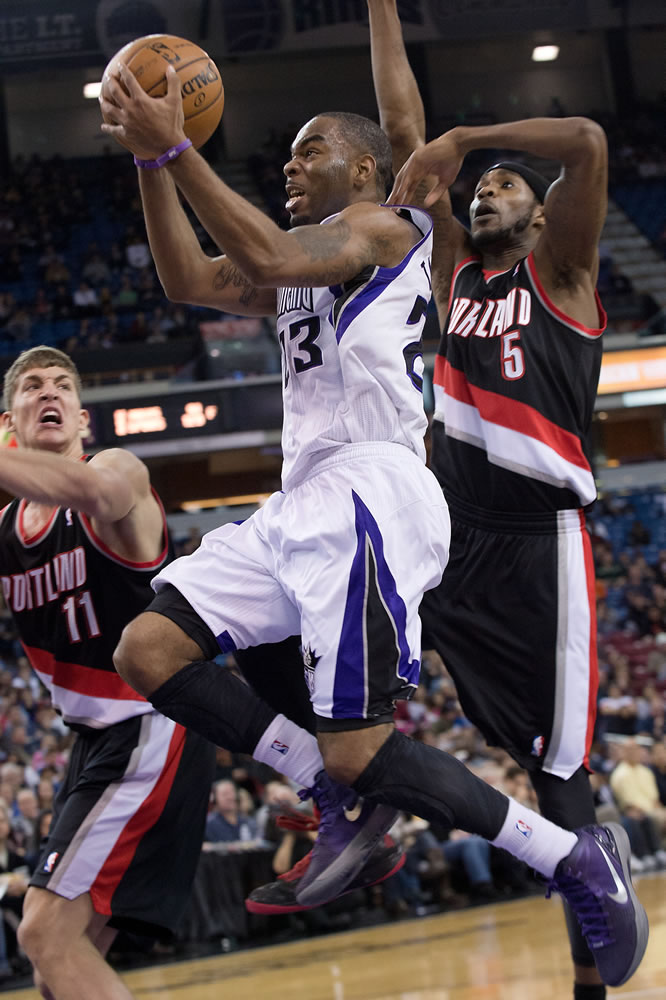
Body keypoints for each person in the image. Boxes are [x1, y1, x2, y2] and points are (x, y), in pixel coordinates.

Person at [101, 61, 646, 989]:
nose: (289, 165)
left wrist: (179, 146)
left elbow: (272, 254)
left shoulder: (384, 229)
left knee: (365, 742)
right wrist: (153, 168)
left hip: (372, 490)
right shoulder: (308, 256)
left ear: (362, 170)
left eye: (310, 149)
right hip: (301, 498)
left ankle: (568, 857)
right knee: (148, 651)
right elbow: (190, 277)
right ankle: (328, 786)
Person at [366, 2, 626, 998]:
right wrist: (383, 10)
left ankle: (589, 982)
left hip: (539, 548)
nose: (482, 194)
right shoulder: (452, 272)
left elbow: (591, 140)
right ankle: (362, 812)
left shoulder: (564, 269)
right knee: (335, 650)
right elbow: (403, 141)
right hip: (450, 535)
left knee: (562, 775)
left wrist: (471, 136)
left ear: (545, 212)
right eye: (475, 189)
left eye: (504, 186)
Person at [0, 345, 217, 1000]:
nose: (50, 393)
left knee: (43, 935)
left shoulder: (115, 469)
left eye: (63, 386)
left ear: (82, 418)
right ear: (9, 422)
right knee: (55, 970)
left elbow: (103, 492)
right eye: (33, 386)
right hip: (96, 743)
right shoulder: (6, 531)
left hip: (152, 726)